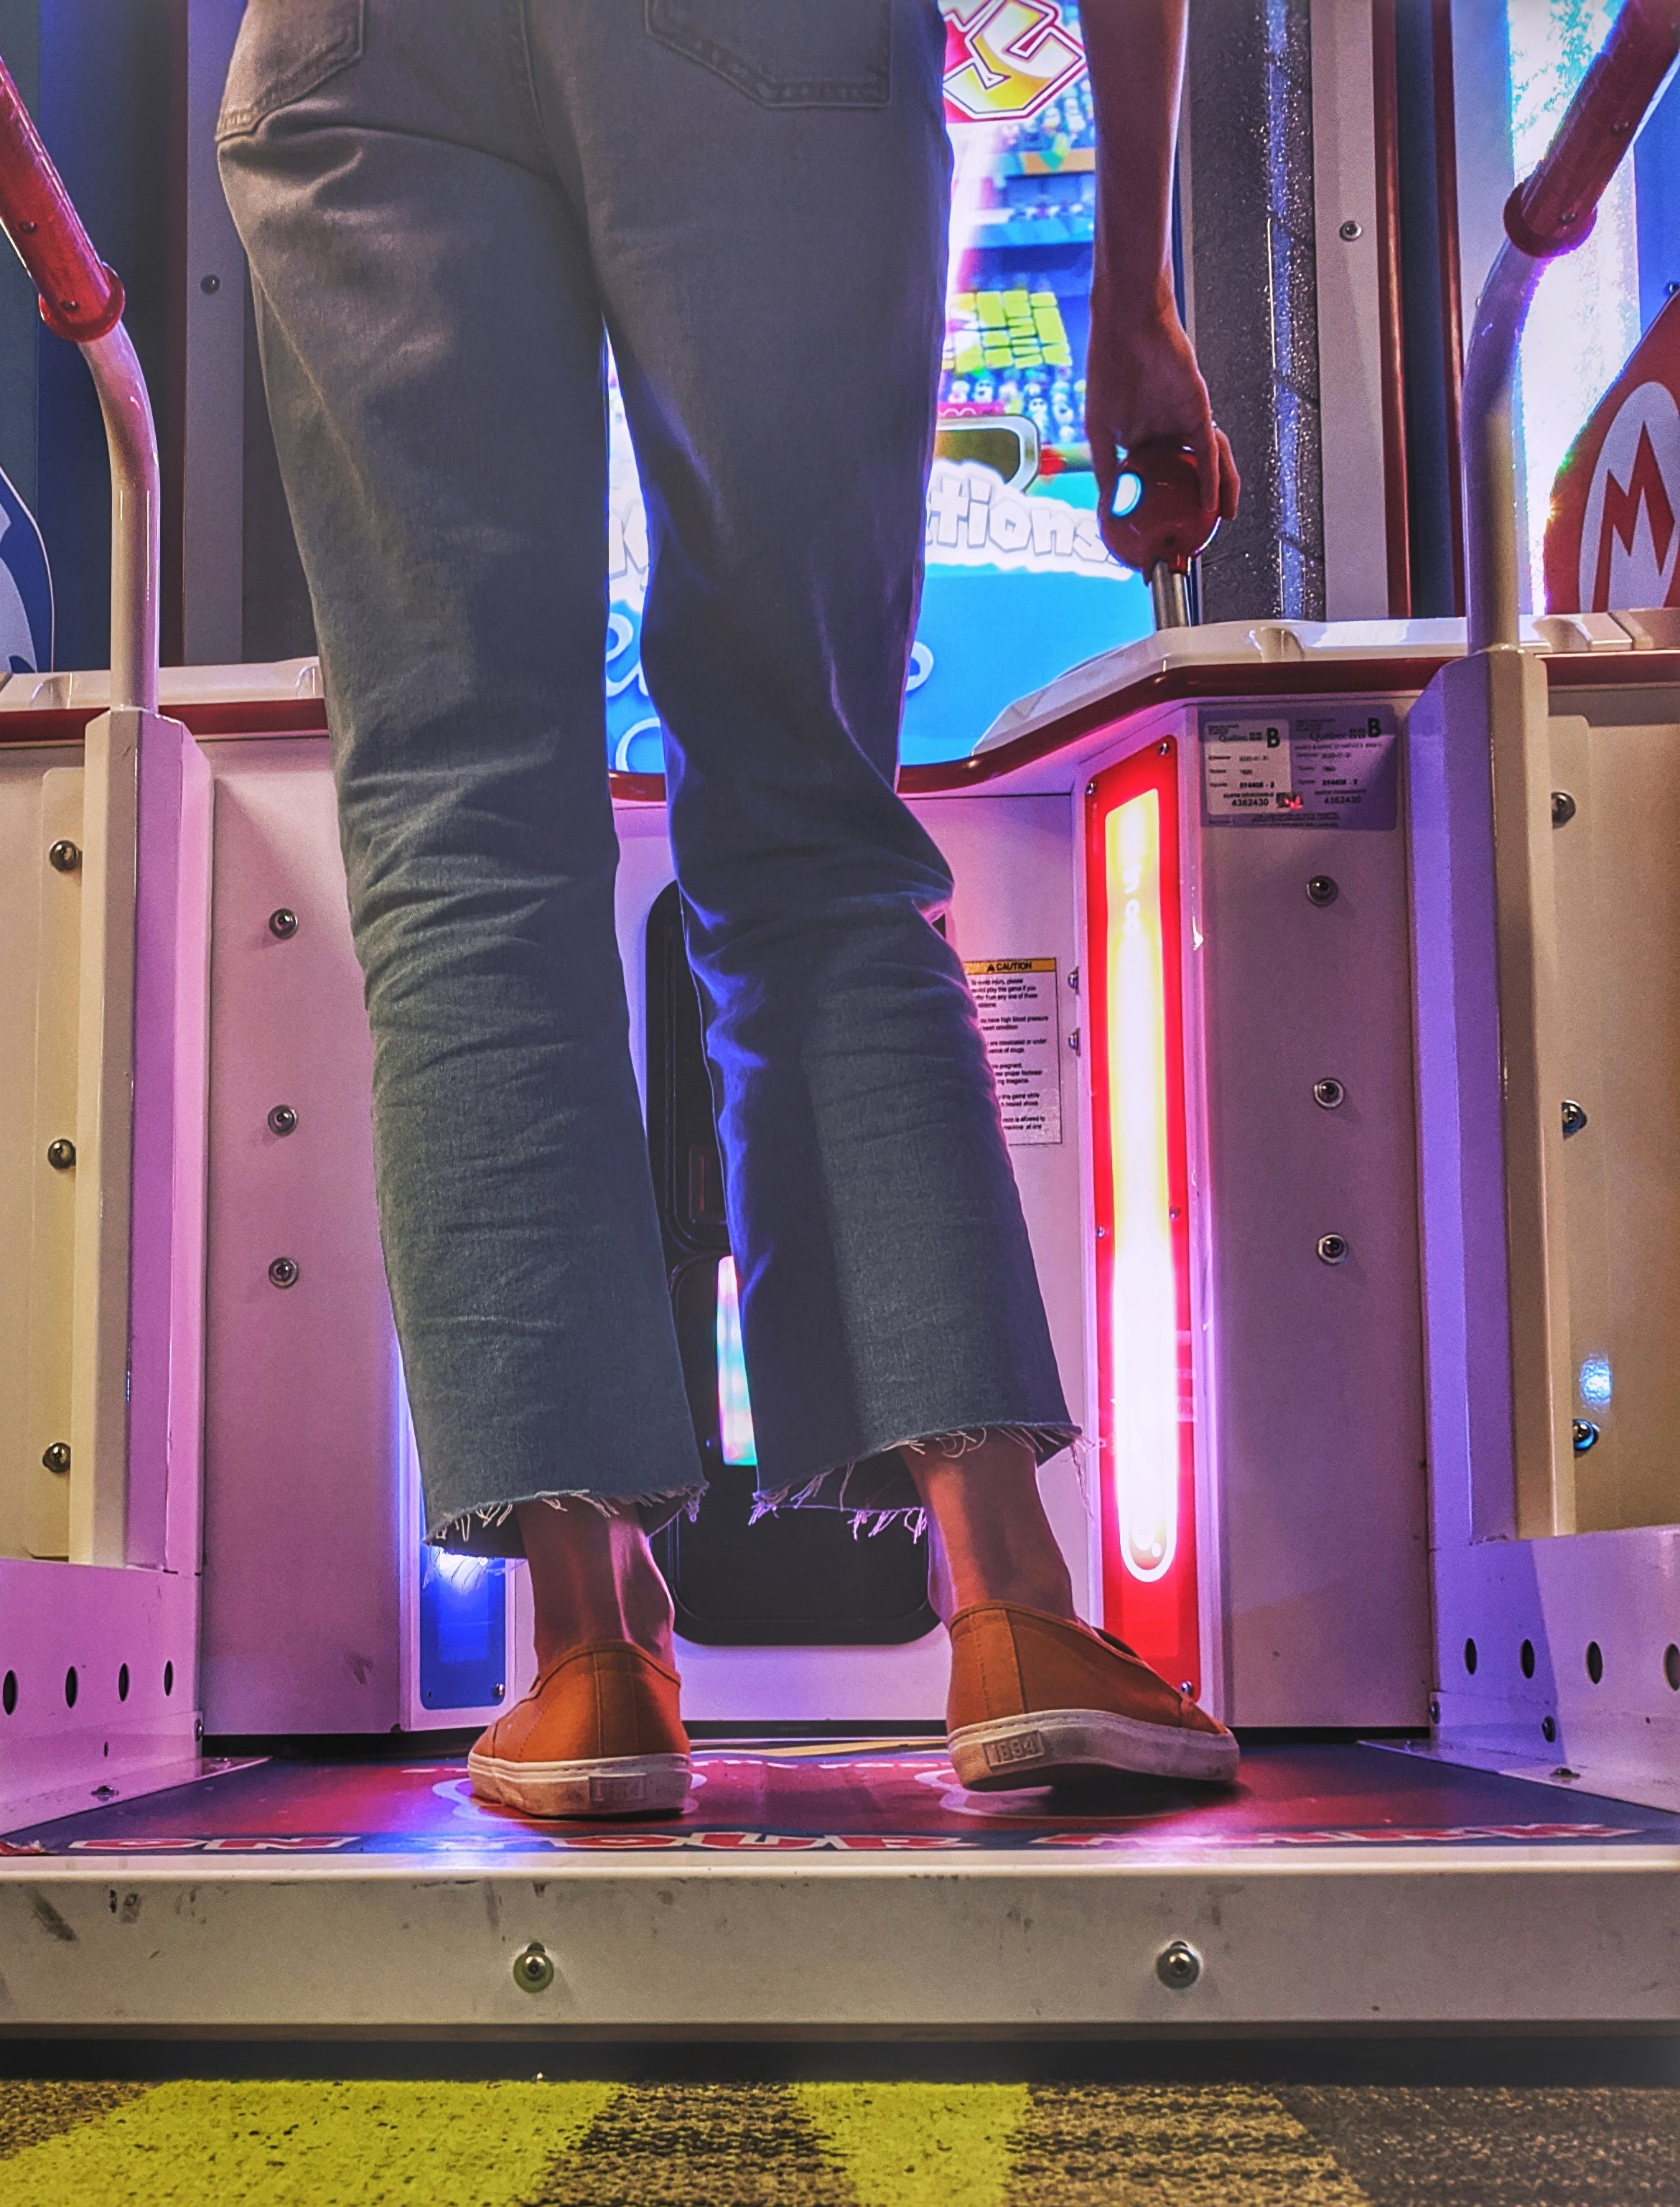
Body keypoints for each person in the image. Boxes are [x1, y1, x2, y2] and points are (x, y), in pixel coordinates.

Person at [218, 0, 1242, 1817]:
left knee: (460, 817)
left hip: (352, 52)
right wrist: (1135, 284)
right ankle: (1008, 1606)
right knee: (801, 802)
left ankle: (585, 1644)